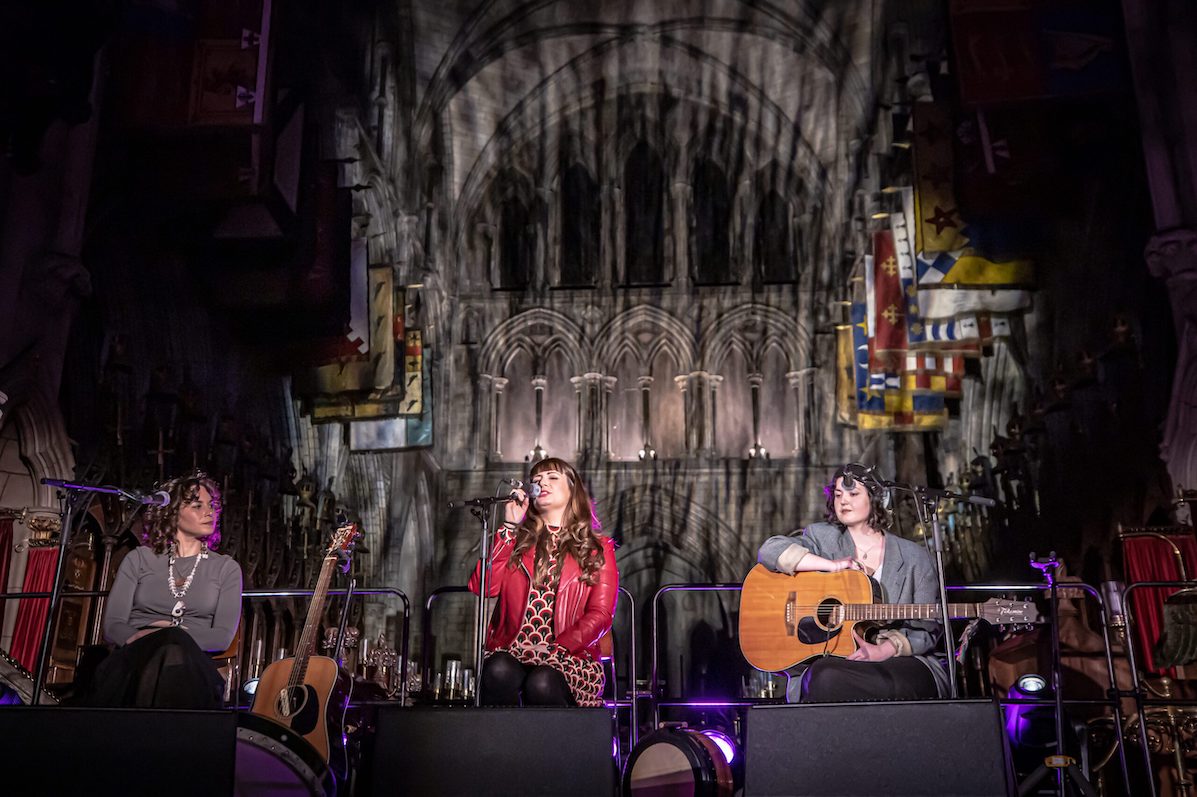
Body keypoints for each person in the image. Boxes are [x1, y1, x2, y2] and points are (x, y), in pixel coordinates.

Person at [756, 463, 949, 702]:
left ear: (878, 498)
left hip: (900, 661)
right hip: (836, 660)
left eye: (853, 494)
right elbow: (770, 550)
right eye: (838, 495)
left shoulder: (914, 557)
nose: (843, 501)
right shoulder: (822, 538)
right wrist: (831, 565)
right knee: (825, 677)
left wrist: (884, 649)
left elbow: (929, 628)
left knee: (903, 683)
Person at [467, 457, 618, 706]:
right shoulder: (516, 541)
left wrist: (558, 647)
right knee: (498, 670)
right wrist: (508, 527)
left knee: (542, 682)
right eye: (536, 480)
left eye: (552, 477)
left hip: (569, 656)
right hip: (516, 651)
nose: (542, 483)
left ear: (572, 490)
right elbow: (482, 587)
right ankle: (501, 733)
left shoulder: (597, 548)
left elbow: (601, 614)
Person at [88, 473, 242, 708]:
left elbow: (221, 637)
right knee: (166, 650)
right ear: (172, 512)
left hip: (194, 665)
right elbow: (113, 626)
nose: (209, 512)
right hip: (135, 656)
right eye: (197, 505)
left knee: (173, 650)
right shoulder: (139, 559)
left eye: (212, 505)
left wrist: (171, 632)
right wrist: (151, 637)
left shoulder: (226, 568)